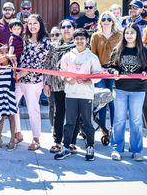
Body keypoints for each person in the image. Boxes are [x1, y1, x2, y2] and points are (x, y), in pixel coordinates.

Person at [109, 23, 147, 161]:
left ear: (137, 35)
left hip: (138, 90)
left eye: (132, 33)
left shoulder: (144, 51)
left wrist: (146, 72)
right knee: (119, 120)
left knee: (136, 121)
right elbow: (111, 67)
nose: (129, 35)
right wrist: (114, 71)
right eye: (127, 33)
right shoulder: (118, 49)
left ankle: (136, 150)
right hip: (120, 89)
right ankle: (117, 148)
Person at [55, 28, 102, 161]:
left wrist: (88, 80)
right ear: (74, 40)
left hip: (86, 95)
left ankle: (90, 147)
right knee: (69, 122)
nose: (79, 41)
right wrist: (67, 79)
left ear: (87, 41)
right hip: (71, 94)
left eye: (82, 39)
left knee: (87, 122)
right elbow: (61, 72)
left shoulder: (92, 57)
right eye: (77, 39)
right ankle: (66, 147)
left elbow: (98, 75)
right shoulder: (68, 56)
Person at [11, 14, 50, 151]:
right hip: (19, 79)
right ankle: (18, 133)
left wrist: (23, 72)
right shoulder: (25, 39)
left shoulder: (45, 41)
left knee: (33, 109)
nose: (32, 26)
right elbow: (21, 56)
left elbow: (40, 62)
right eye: (30, 23)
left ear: (40, 25)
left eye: (35, 23)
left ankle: (36, 138)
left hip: (34, 80)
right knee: (12, 104)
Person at [43, 19, 75, 154]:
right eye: (63, 27)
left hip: (75, 86)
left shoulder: (79, 45)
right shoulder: (54, 46)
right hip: (58, 86)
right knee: (59, 114)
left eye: (69, 26)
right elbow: (48, 65)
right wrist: (46, 83)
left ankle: (72, 142)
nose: (66, 29)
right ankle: (57, 142)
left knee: (73, 115)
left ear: (73, 28)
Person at [90, 11, 122, 135]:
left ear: (113, 21)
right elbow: (92, 55)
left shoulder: (119, 35)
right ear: (100, 22)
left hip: (115, 71)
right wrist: (99, 68)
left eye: (109, 19)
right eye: (103, 19)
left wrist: (115, 68)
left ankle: (115, 129)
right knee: (102, 100)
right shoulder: (96, 36)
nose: (106, 21)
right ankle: (103, 129)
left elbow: (121, 54)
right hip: (100, 71)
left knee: (113, 101)